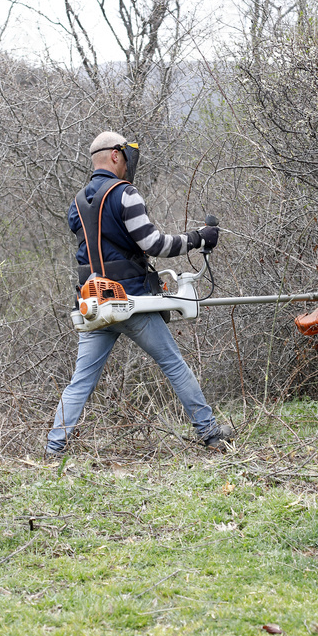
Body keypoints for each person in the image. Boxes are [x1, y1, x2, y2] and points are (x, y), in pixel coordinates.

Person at [45, 131, 234, 457]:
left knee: (81, 382)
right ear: (116, 156)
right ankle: (211, 434)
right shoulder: (125, 194)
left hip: (95, 304)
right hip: (131, 303)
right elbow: (154, 245)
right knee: (174, 364)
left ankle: (53, 448)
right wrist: (197, 238)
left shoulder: (76, 205)